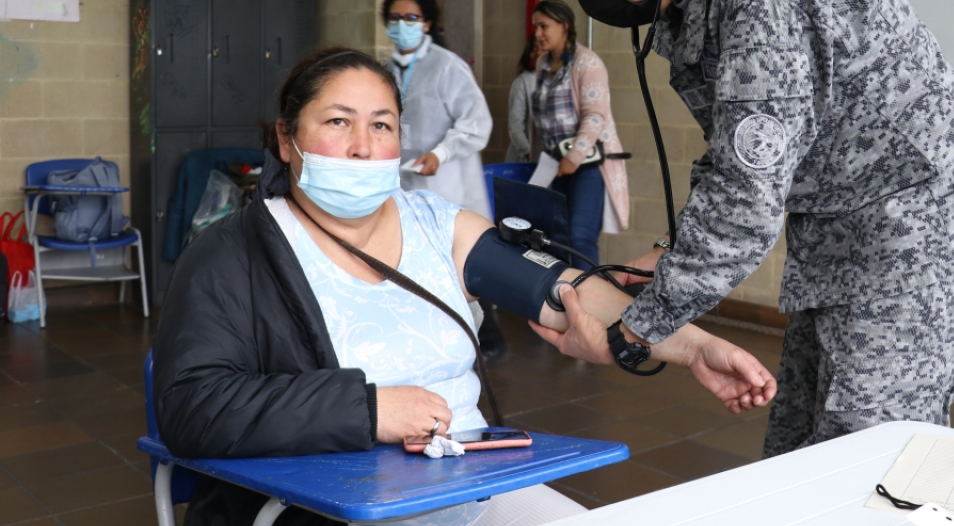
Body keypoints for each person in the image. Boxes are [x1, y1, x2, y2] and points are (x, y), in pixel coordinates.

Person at [524, 0, 954, 458]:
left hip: (916, 230)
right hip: (840, 220)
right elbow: (741, 152)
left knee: (869, 447)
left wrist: (633, 333)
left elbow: (747, 200)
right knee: (798, 442)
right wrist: (668, 254)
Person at [152, 47, 776, 526]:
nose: (365, 148)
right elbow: (193, 408)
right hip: (330, 507)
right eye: (338, 122)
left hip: (469, 483)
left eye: (383, 125)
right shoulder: (234, 253)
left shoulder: (437, 225)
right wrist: (369, 411)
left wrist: (695, 348)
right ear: (288, 140)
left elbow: (573, 292)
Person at [528, 0, 629, 266]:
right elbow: (539, 118)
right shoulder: (542, 65)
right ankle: (563, 298)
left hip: (585, 163)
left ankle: (589, 300)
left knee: (579, 237)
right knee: (557, 237)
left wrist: (574, 157)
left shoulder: (587, 63)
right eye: (535, 27)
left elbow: (596, 115)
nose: (537, 33)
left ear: (564, 26)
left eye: (543, 26)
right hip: (555, 163)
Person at [384, 0, 493, 220]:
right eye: (395, 18)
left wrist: (440, 154)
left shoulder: (447, 67)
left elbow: (477, 123)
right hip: (402, 184)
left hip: (448, 184)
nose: (402, 24)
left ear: (427, 24)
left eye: (411, 18)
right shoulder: (385, 71)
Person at [505, 33, 542, 162]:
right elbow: (515, 128)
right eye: (534, 49)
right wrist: (529, 155)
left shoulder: (563, 81)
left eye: (542, 47)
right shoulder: (523, 82)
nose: (538, 53)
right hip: (525, 162)